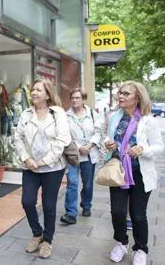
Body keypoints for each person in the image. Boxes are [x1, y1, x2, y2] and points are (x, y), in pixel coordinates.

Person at [102, 81, 164, 265]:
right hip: (118, 171)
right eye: (120, 93)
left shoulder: (149, 120)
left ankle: (141, 249)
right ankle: (121, 243)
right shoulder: (114, 117)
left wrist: (142, 149)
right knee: (118, 212)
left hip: (141, 174)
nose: (121, 96)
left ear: (137, 98)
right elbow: (107, 135)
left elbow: (160, 146)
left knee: (138, 214)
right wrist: (108, 143)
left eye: (126, 94)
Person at [14, 79, 71, 259]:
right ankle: (37, 233)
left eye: (39, 90)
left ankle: (47, 240)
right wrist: (27, 158)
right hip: (30, 166)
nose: (34, 93)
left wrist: (42, 162)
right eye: (33, 90)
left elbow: (62, 141)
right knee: (27, 202)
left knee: (48, 205)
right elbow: (18, 138)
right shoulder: (26, 114)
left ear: (48, 94)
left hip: (53, 168)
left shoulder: (58, 113)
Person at [60, 88, 102, 225]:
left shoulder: (92, 114)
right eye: (72, 98)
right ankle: (71, 213)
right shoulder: (66, 116)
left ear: (83, 99)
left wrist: (89, 146)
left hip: (89, 155)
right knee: (72, 183)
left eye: (77, 98)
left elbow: (98, 131)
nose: (74, 100)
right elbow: (66, 135)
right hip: (73, 155)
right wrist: (79, 147)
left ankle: (86, 205)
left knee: (88, 184)